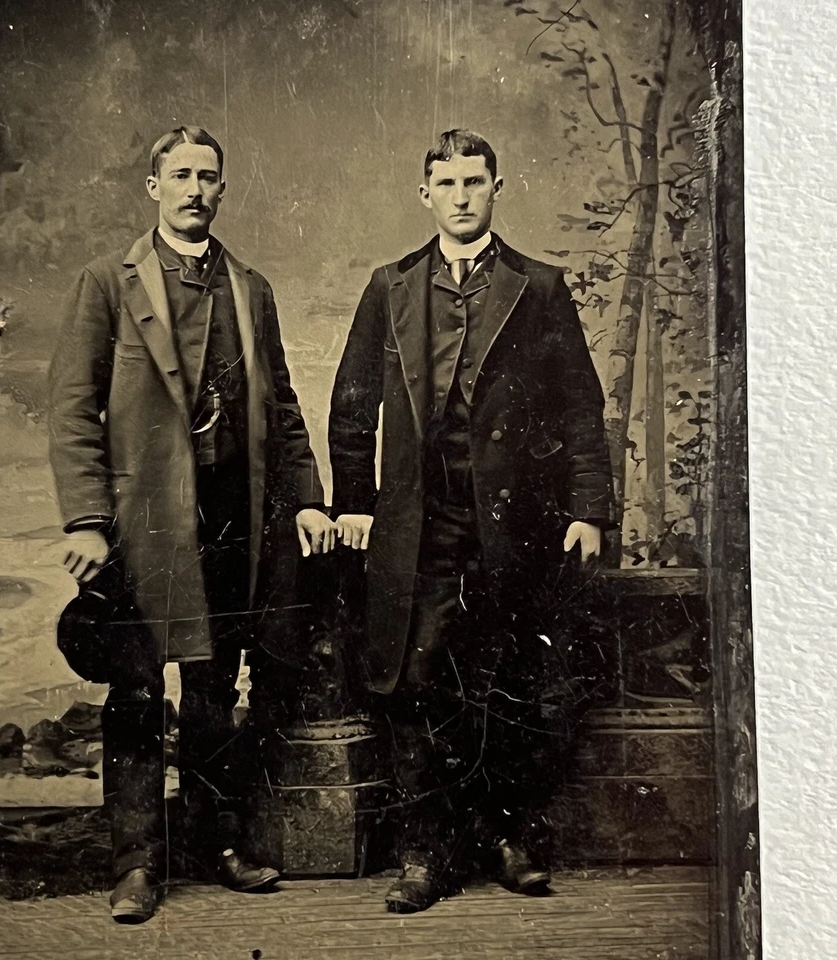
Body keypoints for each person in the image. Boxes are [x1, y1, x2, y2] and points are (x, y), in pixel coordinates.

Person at [48, 125, 337, 924]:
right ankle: (137, 864)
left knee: (213, 686)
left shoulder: (250, 286)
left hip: (228, 516)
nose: (195, 190)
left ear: (222, 187)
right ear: (153, 187)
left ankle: (221, 842)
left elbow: (281, 409)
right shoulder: (107, 281)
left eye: (209, 176)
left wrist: (308, 497)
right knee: (138, 689)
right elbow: (73, 411)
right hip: (140, 523)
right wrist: (86, 520)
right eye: (180, 175)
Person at [329, 130, 616, 913]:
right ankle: (427, 852)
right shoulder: (390, 286)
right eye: (446, 183)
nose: (461, 196)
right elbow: (353, 404)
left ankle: (509, 840)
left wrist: (590, 508)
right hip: (418, 524)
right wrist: (355, 502)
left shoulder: (540, 287)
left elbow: (582, 408)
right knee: (418, 681)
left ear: (497, 187)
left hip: (513, 525)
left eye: (475, 181)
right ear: (425, 193)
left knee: (509, 682)